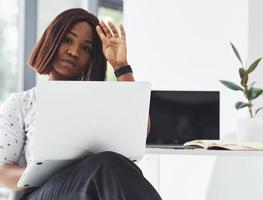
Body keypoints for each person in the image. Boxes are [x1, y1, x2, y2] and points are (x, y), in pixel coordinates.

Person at [0, 8, 161, 200]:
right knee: (106, 165)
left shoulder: (100, 101)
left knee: (112, 165)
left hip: (93, 186)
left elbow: (139, 131)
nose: (74, 51)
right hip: (39, 193)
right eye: (67, 40)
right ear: (52, 40)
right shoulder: (21, 103)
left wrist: (120, 65)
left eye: (86, 48)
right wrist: (39, 172)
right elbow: (2, 173)